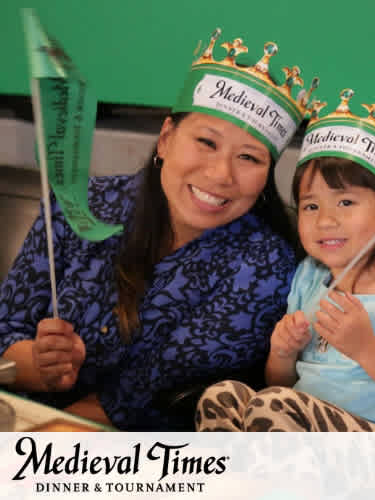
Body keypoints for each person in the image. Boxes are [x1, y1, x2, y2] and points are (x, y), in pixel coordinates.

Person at [0, 28, 316, 430]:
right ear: (166, 138)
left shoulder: (265, 265)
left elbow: (138, 398)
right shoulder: (77, 204)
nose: (221, 174)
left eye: (249, 157)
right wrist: (39, 364)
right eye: (206, 141)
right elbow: (7, 330)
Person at [195, 91, 375, 432]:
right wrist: (283, 352)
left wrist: (367, 349)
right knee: (223, 397)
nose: (325, 220)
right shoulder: (310, 279)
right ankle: (246, 482)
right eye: (311, 206)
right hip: (303, 435)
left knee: (273, 406)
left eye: (346, 202)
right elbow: (281, 384)